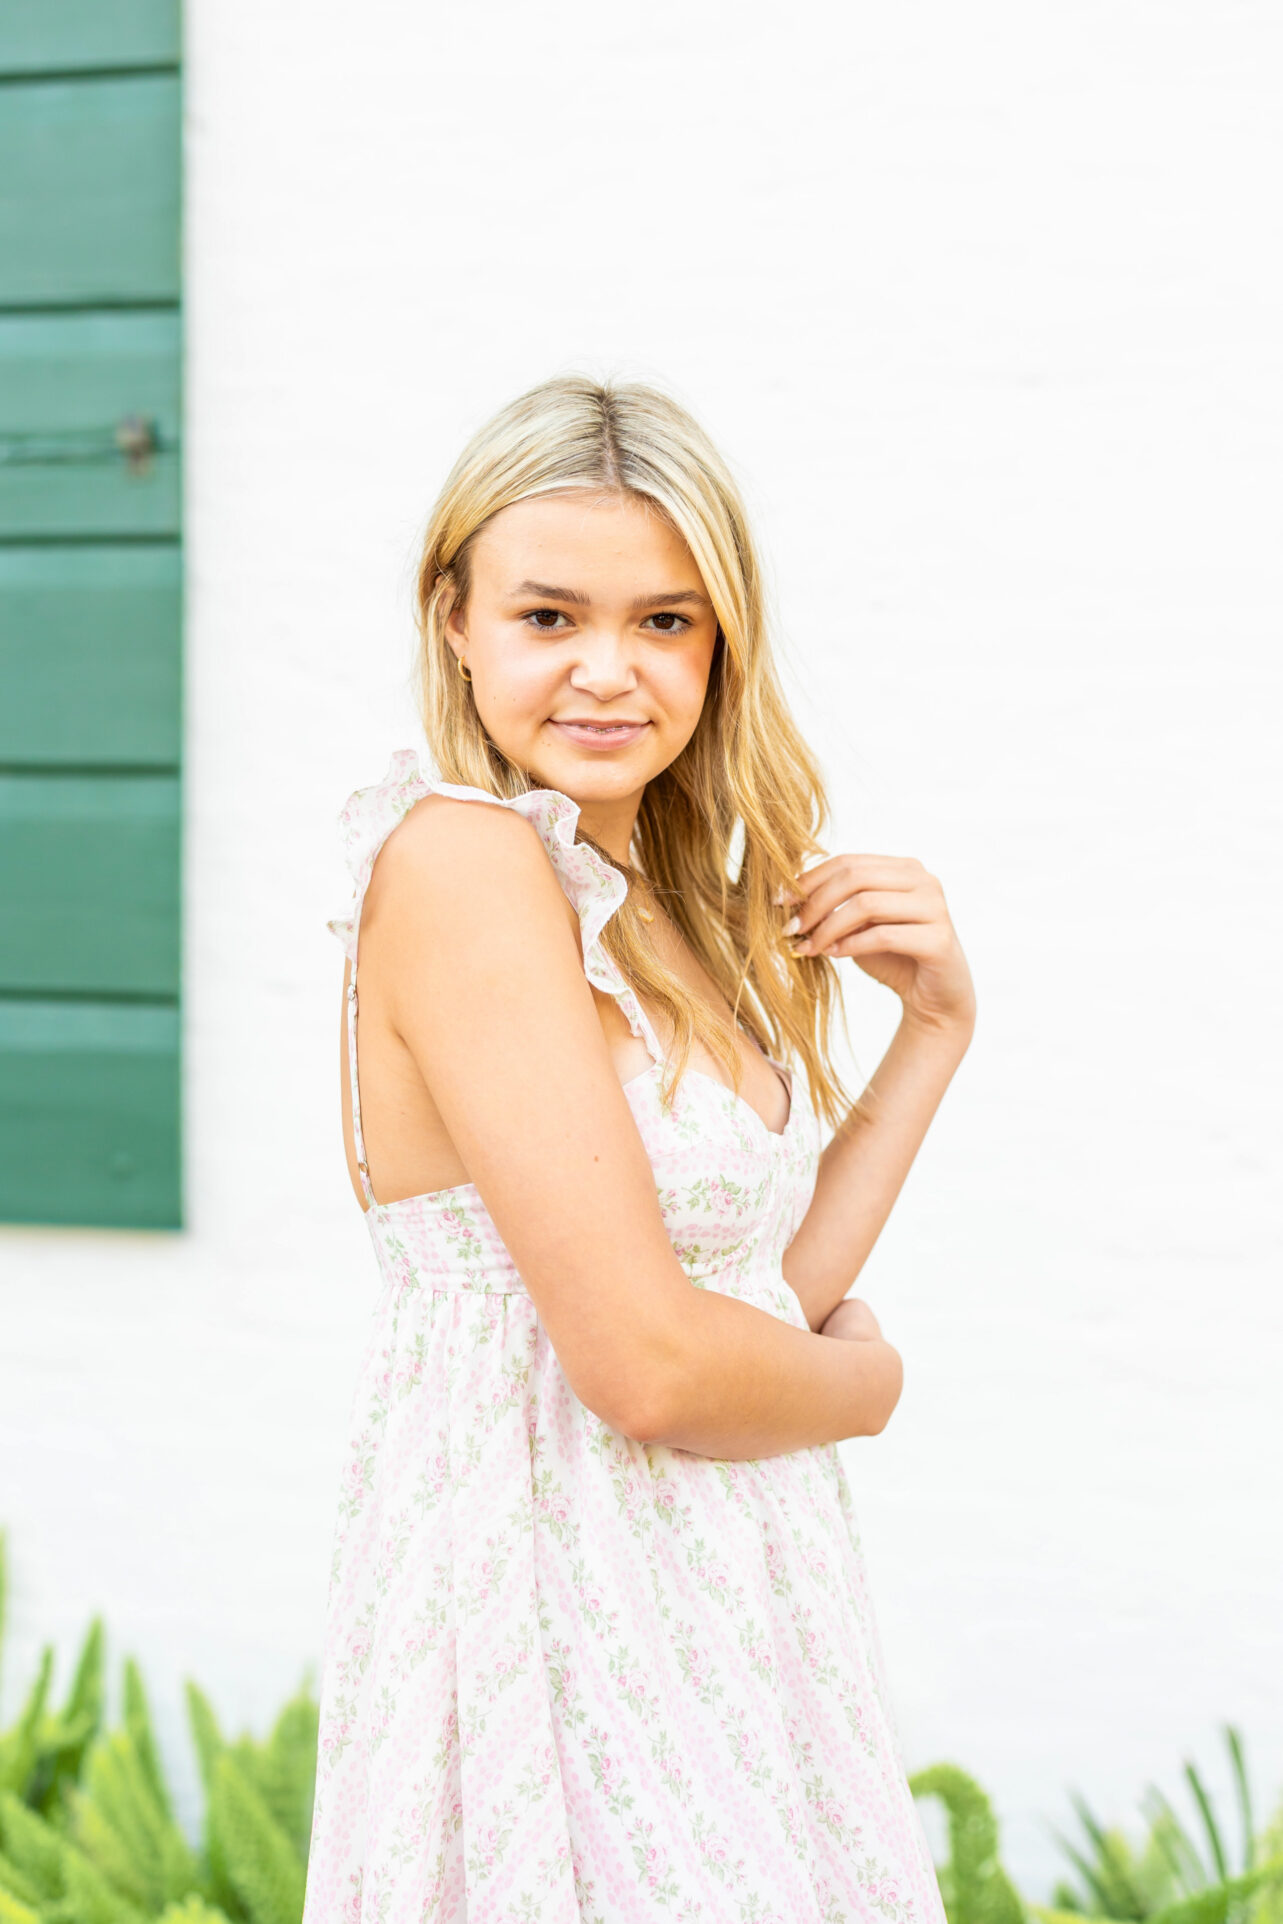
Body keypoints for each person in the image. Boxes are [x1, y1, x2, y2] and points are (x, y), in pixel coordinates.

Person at [301, 373, 975, 1923]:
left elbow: (753, 1298)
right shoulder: (465, 862)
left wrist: (933, 1036)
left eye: (666, 622)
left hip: (728, 1582)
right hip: (552, 1592)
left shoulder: (651, 900)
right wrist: (867, 1392)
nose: (610, 672)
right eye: (551, 618)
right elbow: (654, 1371)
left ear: (720, 638)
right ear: (454, 618)